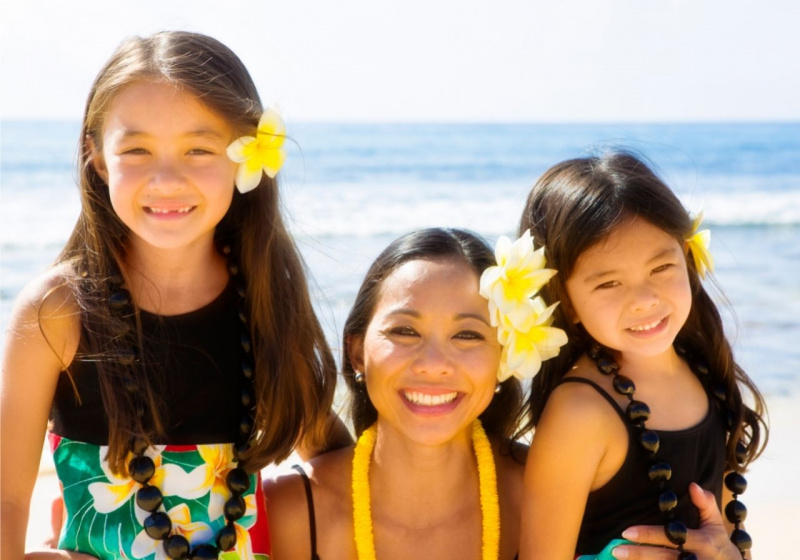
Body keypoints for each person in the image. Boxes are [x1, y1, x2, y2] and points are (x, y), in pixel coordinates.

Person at [1, 31, 348, 560]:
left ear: (244, 157)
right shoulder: (57, 311)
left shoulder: (264, 302)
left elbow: (334, 457)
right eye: (136, 149)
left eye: (198, 149)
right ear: (96, 157)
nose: (167, 179)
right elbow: (5, 499)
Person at [516, 152, 769, 559]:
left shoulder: (706, 374)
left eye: (660, 268)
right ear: (566, 303)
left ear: (687, 260)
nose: (644, 300)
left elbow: (722, 538)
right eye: (609, 283)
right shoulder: (581, 412)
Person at [265, 228, 545, 559]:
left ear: (505, 357)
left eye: (467, 335)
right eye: (405, 331)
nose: (433, 364)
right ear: (356, 353)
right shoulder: (281, 512)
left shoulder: (550, 495)